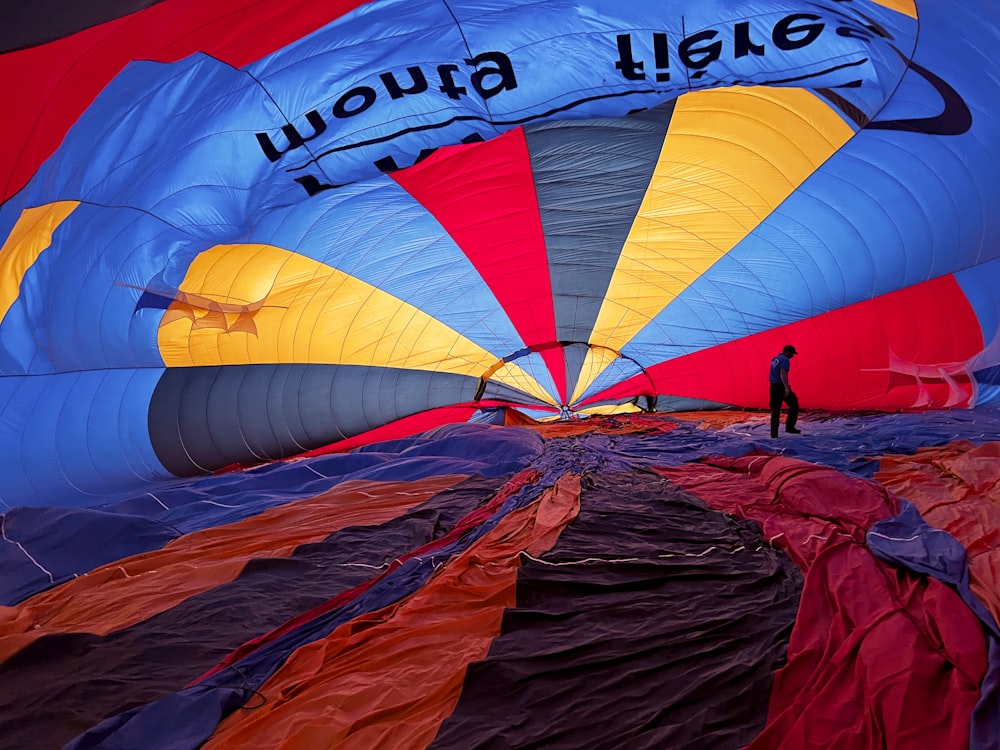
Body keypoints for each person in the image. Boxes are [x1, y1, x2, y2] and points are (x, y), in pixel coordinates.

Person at [769, 345, 800, 438]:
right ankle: (790, 427)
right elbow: (783, 372)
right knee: (794, 404)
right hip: (781, 386)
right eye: (792, 353)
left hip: (773, 386)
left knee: (775, 411)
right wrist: (786, 387)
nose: (792, 356)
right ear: (787, 352)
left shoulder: (775, 358)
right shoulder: (785, 359)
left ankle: (774, 434)